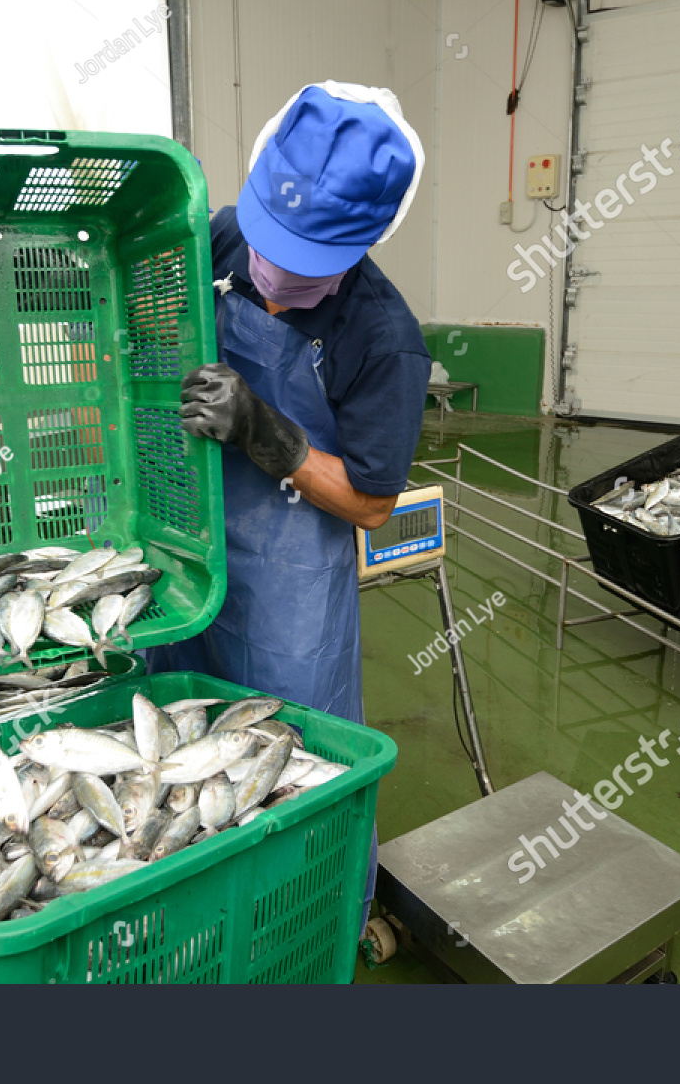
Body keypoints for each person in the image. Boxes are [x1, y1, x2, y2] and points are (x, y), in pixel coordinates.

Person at [147, 81, 430, 921]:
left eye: (304, 262)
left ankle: (305, 913)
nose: (270, 272)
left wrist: (267, 432)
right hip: (190, 534)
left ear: (360, 246)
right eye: (272, 244)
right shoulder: (228, 231)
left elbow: (375, 503)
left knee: (291, 753)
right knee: (182, 727)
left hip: (291, 575)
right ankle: (190, 896)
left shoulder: (383, 336)